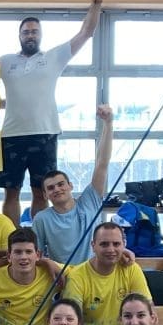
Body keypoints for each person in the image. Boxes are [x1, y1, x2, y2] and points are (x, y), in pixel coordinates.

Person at [0, 0, 105, 224]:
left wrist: (96, 3)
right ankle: (12, 238)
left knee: (40, 192)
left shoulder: (54, 57)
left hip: (45, 134)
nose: (30, 35)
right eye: (26, 32)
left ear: (40, 35)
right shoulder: (5, 61)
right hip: (11, 135)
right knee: (10, 192)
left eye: (34, 31)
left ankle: (37, 237)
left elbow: (86, 32)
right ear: (19, 35)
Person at [32, 105, 114, 265]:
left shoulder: (89, 201)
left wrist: (108, 124)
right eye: (51, 188)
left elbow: (102, 164)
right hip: (62, 276)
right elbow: (37, 255)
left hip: (95, 271)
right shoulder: (42, 219)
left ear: (71, 186)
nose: (57, 189)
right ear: (45, 195)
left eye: (61, 184)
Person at [62, 222, 151, 325]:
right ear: (93, 246)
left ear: (124, 245)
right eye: (104, 244)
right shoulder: (77, 276)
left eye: (116, 244)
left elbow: (150, 315)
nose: (111, 249)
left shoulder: (132, 269)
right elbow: (71, 324)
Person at [0, 228, 56, 325]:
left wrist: (48, 263)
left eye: (28, 252)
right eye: (18, 252)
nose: (23, 257)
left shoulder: (51, 274)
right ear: (9, 256)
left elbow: (76, 272)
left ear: (38, 255)